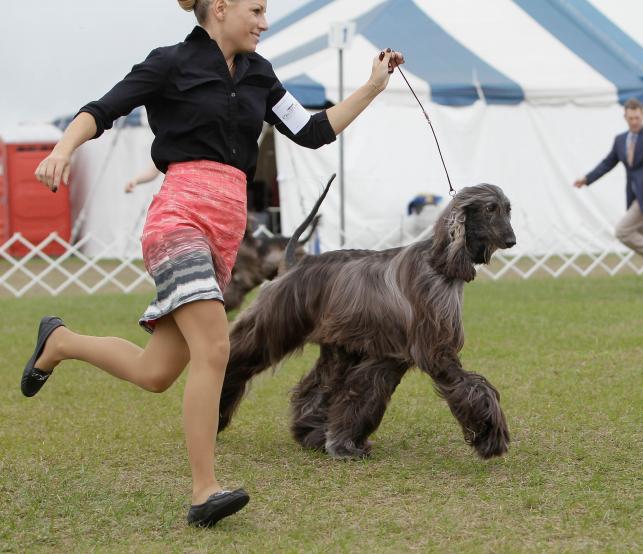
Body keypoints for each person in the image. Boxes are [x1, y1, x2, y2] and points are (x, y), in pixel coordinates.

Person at [23, 0, 404, 527]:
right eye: (257, 9)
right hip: (177, 219)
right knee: (216, 345)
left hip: (225, 233)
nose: (265, 22)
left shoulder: (259, 75)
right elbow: (101, 109)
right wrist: (64, 147)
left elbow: (313, 131)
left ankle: (59, 342)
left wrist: (372, 87)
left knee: (155, 372)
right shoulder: (170, 63)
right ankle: (205, 491)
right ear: (220, 7)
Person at [574, 98, 643, 282]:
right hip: (634, 196)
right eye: (631, 118)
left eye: (637, 117)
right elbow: (607, 163)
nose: (634, 121)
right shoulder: (620, 140)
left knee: (622, 231)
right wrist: (587, 179)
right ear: (625, 117)